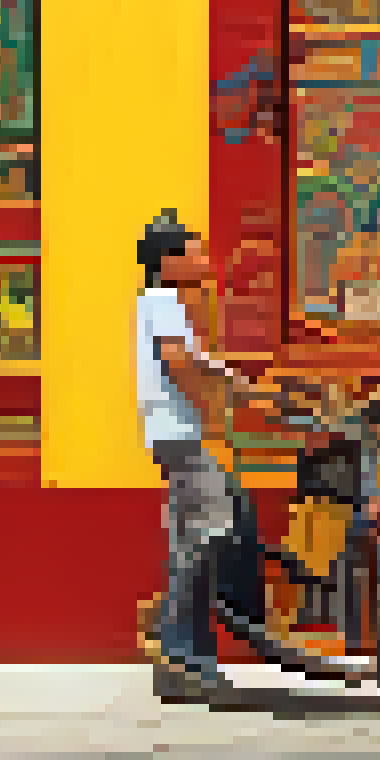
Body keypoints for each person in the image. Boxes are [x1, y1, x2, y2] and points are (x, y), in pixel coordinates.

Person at [135, 210, 252, 704]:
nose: (205, 258)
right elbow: (178, 361)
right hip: (178, 432)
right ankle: (180, 651)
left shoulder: (165, 302)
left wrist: (232, 380)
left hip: (173, 432)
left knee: (195, 539)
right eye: (196, 251)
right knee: (205, 539)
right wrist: (213, 398)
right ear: (170, 261)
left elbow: (193, 358)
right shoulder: (163, 299)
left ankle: (180, 657)